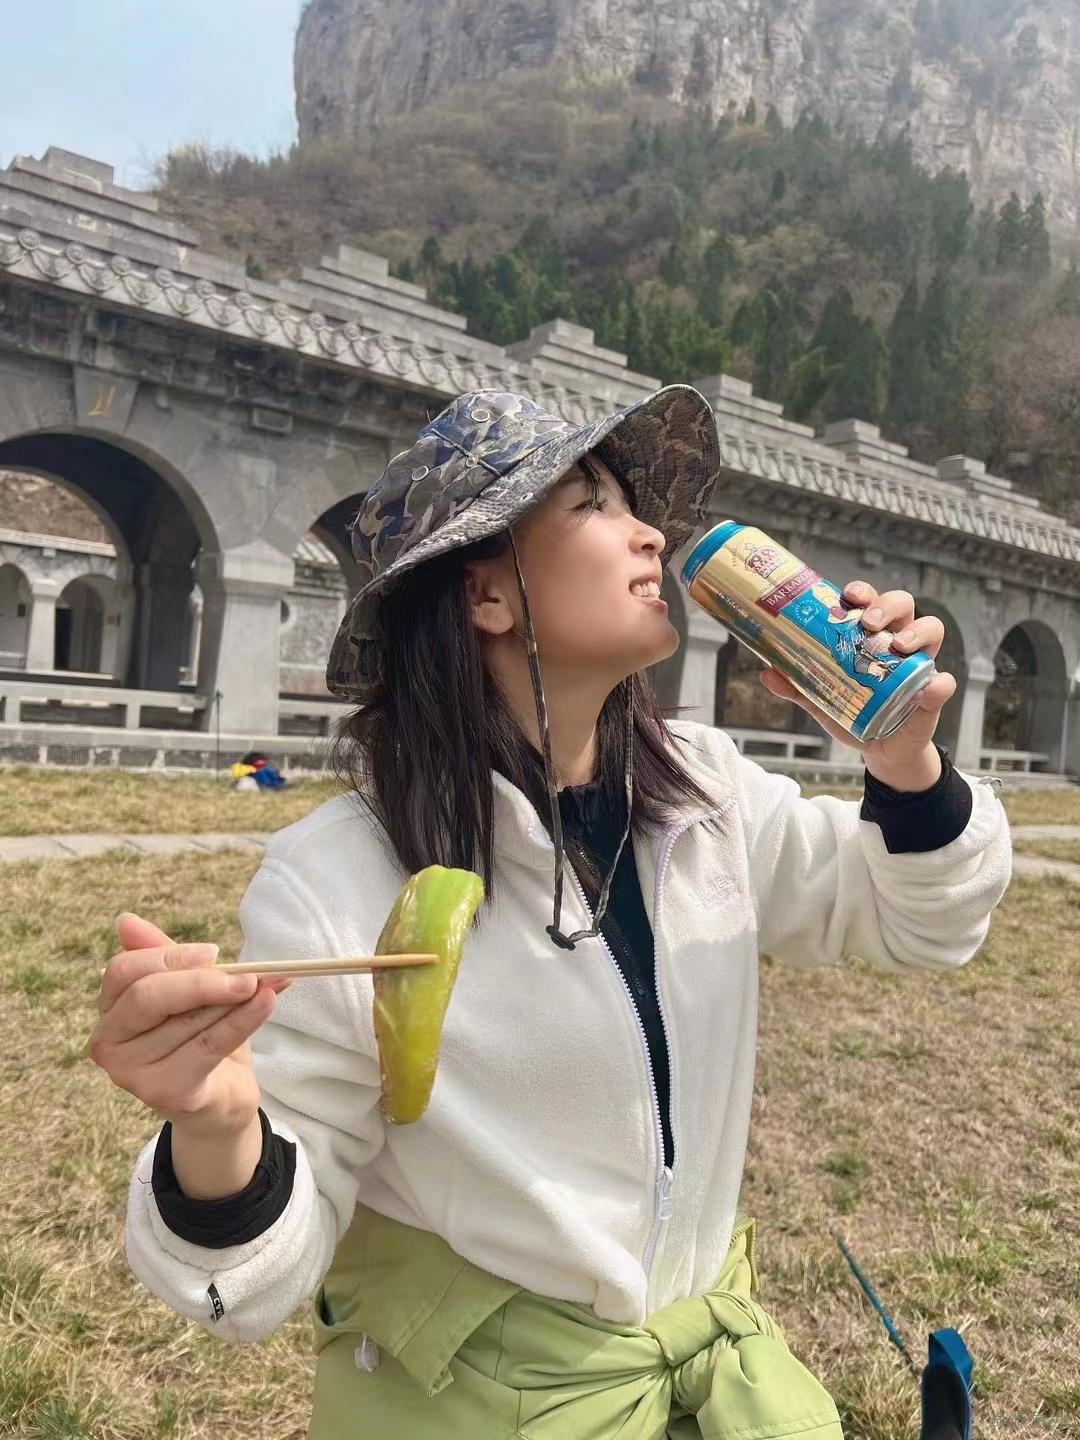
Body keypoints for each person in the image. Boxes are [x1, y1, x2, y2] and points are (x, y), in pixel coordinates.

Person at [91, 385, 1012, 1439]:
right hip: (481, 1407)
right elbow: (254, 1281)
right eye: (592, 504)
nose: (648, 532)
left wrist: (905, 763)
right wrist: (216, 1127)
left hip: (710, 1388)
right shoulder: (339, 878)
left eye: (633, 505)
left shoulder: (706, 794)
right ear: (486, 594)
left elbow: (923, 924)